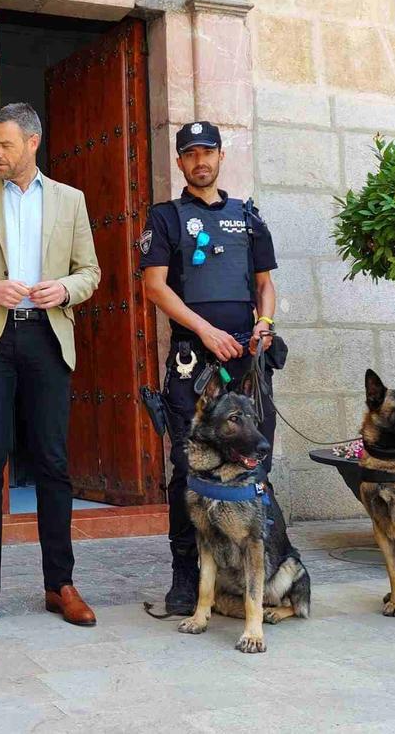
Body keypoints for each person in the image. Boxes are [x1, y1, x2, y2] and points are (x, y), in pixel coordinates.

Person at [0, 102, 101, 634]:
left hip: (48, 337)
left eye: (5, 144)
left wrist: (65, 289)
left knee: (54, 462)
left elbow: (90, 273)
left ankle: (61, 585)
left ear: (32, 142)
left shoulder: (71, 201)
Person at [138, 120, 280, 617]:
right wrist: (204, 331)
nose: (201, 161)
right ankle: (185, 579)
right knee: (187, 470)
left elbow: (265, 284)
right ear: (179, 162)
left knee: (256, 463)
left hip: (247, 364)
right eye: (191, 154)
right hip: (194, 366)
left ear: (221, 156)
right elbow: (155, 286)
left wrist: (264, 323)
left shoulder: (249, 216)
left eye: (208, 152)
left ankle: (260, 576)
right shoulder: (166, 217)